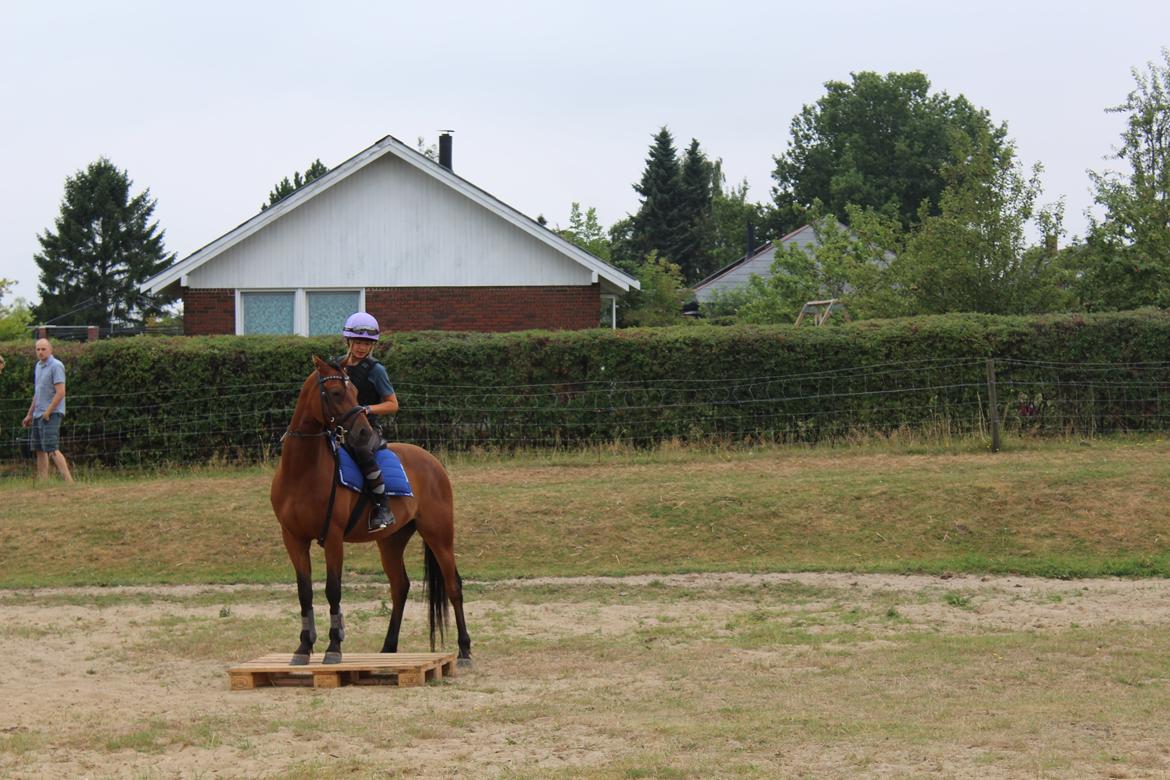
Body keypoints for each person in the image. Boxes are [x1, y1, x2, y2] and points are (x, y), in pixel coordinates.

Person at [336, 312, 399, 532]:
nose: (362, 347)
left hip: (367, 429)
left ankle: (383, 508)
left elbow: (393, 404)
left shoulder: (376, 370)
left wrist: (367, 408)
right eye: (358, 342)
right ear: (349, 342)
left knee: (361, 449)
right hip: (338, 426)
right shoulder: (336, 366)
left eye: (367, 343)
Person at [22, 338, 74, 483]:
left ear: (50, 350)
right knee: (39, 449)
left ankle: (69, 482)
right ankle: (43, 482)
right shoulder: (38, 366)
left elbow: (61, 392)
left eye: (43, 349)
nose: (40, 352)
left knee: (51, 448)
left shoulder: (56, 366)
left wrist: (48, 411)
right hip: (38, 413)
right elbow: (37, 393)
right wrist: (29, 414)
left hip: (52, 413)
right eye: (38, 349)